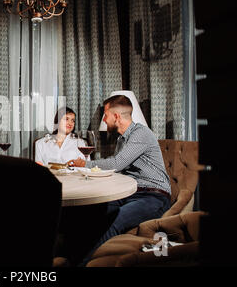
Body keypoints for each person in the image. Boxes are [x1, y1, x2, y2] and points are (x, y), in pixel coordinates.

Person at [68, 95, 171, 267]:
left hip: (154, 195)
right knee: (91, 212)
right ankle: (67, 255)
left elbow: (116, 164)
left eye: (105, 115)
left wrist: (84, 164)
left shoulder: (141, 133)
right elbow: (120, 169)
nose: (104, 119)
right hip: (131, 193)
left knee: (116, 219)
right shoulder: (122, 139)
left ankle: (78, 264)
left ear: (116, 116)